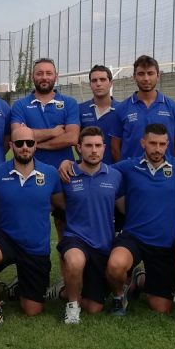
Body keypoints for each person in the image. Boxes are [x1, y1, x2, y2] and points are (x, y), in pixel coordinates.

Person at [0, 127, 62, 327]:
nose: (25, 147)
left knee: (32, 310)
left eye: (29, 143)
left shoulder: (50, 173)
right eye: (19, 143)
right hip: (6, 239)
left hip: (35, 246)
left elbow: (62, 204)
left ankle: (16, 288)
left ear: (35, 145)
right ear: (11, 145)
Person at [108, 123, 175, 316]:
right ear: (143, 143)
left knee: (161, 308)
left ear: (168, 144)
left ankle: (140, 279)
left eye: (162, 144)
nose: (157, 149)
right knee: (116, 265)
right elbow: (98, 171)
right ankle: (119, 298)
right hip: (133, 238)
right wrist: (69, 164)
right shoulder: (129, 166)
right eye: (153, 143)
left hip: (164, 243)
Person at [55, 126, 123, 323]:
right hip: (75, 238)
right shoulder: (66, 174)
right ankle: (72, 307)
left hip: (102, 245)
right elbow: (54, 203)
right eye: (88, 146)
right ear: (79, 148)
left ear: (104, 148)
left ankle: (65, 291)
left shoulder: (115, 175)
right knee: (75, 261)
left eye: (98, 146)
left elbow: (124, 208)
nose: (94, 150)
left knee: (95, 308)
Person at [8, 57, 79, 170]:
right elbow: (18, 136)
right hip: (29, 171)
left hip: (63, 171)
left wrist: (36, 144)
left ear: (56, 76)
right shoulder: (20, 105)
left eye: (49, 73)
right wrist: (53, 132)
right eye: (39, 73)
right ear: (32, 77)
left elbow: (72, 138)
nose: (44, 77)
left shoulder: (70, 103)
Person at [110, 55, 175, 161]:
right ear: (134, 77)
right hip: (132, 174)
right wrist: (126, 169)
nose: (146, 78)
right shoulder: (121, 109)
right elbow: (115, 147)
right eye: (141, 74)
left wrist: (168, 166)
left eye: (150, 73)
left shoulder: (173, 108)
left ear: (158, 76)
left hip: (163, 174)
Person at [78, 65, 119, 165]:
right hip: (87, 171)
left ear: (111, 83)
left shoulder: (122, 109)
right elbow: (76, 141)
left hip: (115, 169)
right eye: (94, 80)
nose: (98, 84)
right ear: (90, 84)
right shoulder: (79, 109)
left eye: (102, 79)